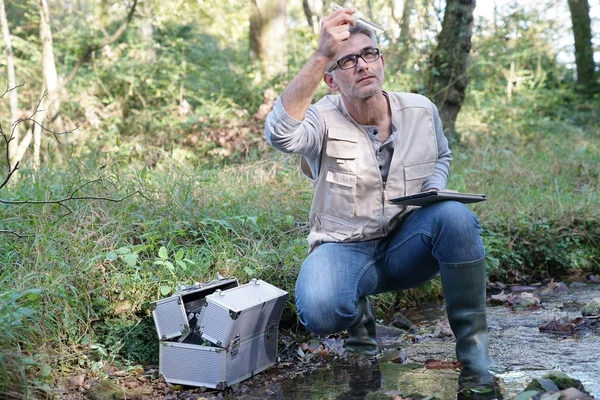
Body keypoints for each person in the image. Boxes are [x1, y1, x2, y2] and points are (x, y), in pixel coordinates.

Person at [264, 7, 492, 377]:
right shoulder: (320, 119)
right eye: (347, 60)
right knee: (320, 308)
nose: (362, 65)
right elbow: (280, 134)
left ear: (381, 60)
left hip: (407, 243)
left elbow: (442, 154)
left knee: (456, 217)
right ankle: (360, 320)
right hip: (344, 246)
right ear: (331, 80)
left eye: (368, 54)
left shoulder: (422, 110)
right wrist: (322, 52)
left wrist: (433, 185)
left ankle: (474, 355)